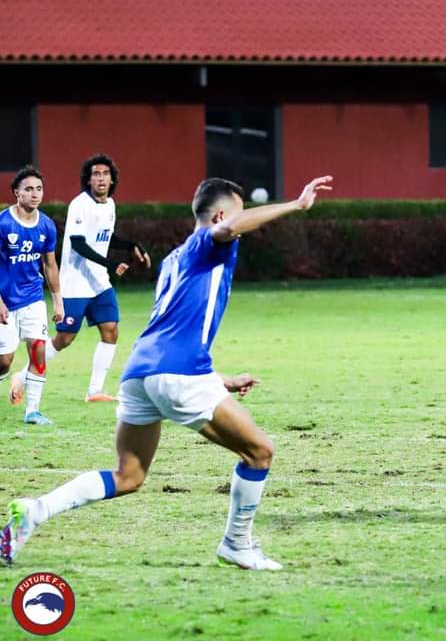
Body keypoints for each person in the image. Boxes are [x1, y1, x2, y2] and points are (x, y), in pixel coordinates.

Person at [1, 174, 334, 570]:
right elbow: (226, 231)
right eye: (238, 215)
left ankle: (35, 510)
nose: (241, 224)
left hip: (140, 373)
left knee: (128, 476)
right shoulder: (209, 241)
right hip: (177, 374)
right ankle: (237, 543)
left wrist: (219, 380)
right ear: (221, 216)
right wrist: (295, 205)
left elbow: (172, 332)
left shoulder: (175, 259)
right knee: (259, 452)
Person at [10, 153, 151, 406]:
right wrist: (111, 263)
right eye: (96, 174)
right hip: (75, 284)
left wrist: (131, 245)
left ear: (112, 179)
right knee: (64, 339)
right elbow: (78, 243)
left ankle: (95, 390)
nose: (101, 178)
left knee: (111, 329)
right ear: (88, 179)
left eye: (106, 174)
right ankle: (22, 377)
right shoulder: (80, 204)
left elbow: (105, 236)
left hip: (99, 283)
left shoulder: (110, 205)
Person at [0, 167, 63, 425]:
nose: (35, 194)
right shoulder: (3, 223)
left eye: (39, 189)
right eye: (28, 189)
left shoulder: (46, 225)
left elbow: (50, 264)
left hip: (33, 298)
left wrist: (58, 300)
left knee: (38, 350)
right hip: (5, 300)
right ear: (16, 193)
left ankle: (32, 411)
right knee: (4, 361)